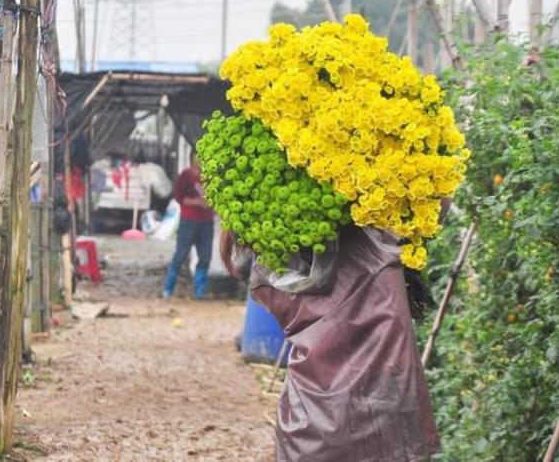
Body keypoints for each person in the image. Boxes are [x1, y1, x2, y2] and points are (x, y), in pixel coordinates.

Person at [220, 226, 440, 461]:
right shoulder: (379, 242)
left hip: (310, 426)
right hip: (388, 415)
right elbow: (435, 208)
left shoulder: (268, 262)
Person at [162, 150, 214, 299]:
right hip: (189, 221)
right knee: (180, 255)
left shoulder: (210, 178)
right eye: (197, 157)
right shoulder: (185, 176)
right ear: (191, 158)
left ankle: (200, 292)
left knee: (205, 257)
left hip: (206, 222)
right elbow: (180, 198)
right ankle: (168, 289)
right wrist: (198, 202)